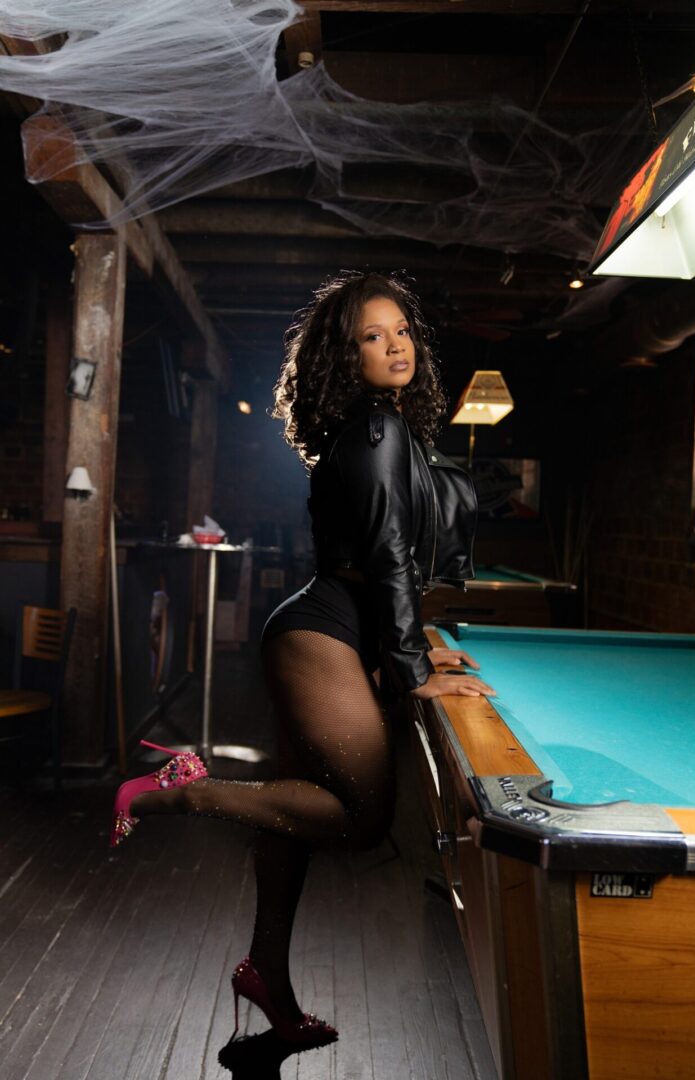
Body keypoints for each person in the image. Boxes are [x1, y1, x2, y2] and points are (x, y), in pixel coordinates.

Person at [110, 271, 493, 1047]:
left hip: (335, 633)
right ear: (343, 357)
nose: (394, 347)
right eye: (371, 337)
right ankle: (179, 789)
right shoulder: (378, 431)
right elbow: (386, 557)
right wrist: (413, 664)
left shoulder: (386, 428)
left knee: (293, 814)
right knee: (358, 820)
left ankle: (267, 976)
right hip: (321, 634)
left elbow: (394, 558)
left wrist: (408, 654)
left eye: (401, 332)